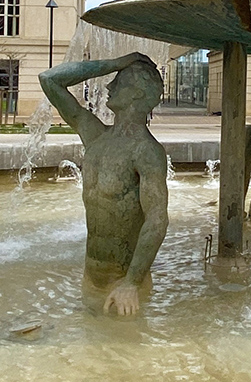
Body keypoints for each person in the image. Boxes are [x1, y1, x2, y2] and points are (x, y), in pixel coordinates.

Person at [39, 52, 168, 317]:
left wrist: (131, 283)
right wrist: (114, 63)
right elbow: (49, 79)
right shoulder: (96, 135)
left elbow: (157, 220)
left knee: (124, 354)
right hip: (91, 277)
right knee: (93, 351)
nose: (109, 86)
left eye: (118, 81)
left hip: (124, 285)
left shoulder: (146, 151)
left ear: (136, 93)